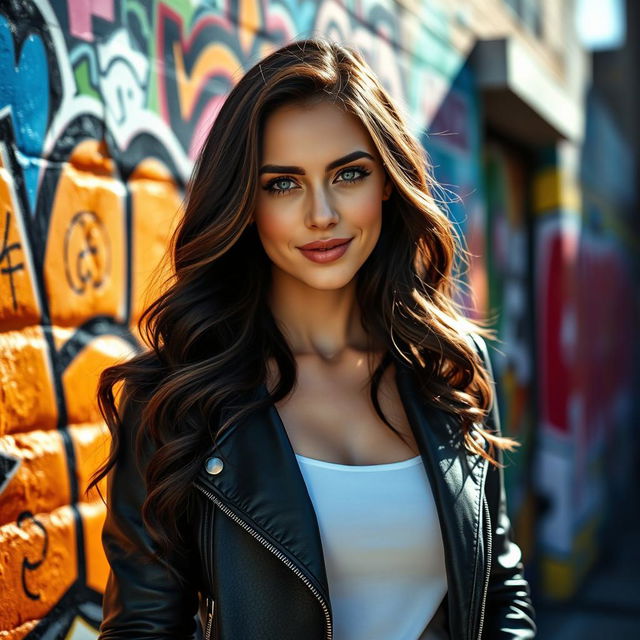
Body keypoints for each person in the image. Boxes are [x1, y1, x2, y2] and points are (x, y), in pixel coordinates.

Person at [89, 37, 536, 640]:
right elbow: (143, 627)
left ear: (386, 183)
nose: (321, 213)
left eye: (348, 174)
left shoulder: (451, 367)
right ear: (245, 202)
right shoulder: (177, 398)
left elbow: (500, 588)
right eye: (283, 184)